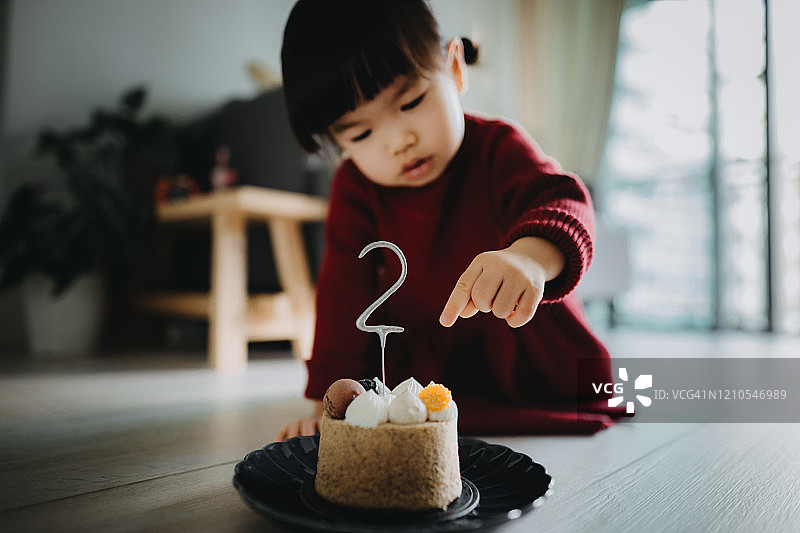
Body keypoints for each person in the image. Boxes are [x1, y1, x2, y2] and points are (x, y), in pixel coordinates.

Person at [277, 0, 617, 440]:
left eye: (412, 101)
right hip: (430, 371)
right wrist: (329, 402)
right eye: (361, 133)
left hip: (530, 355)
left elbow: (562, 202)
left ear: (455, 68)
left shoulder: (498, 148)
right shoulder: (355, 187)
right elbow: (344, 295)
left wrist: (530, 259)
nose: (400, 140)